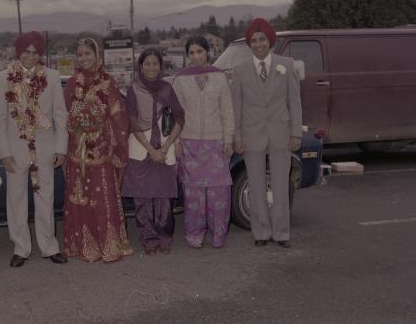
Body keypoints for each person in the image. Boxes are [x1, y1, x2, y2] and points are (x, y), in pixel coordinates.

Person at [0, 31, 69, 267]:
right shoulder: (3, 77)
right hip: (15, 151)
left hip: (45, 149)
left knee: (45, 198)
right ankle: (21, 248)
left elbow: (60, 116)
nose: (30, 56)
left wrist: (61, 148)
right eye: (26, 51)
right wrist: (4, 152)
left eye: (36, 52)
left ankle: (49, 246)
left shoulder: (52, 76)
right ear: (19, 52)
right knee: (16, 199)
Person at [231, 18, 302, 248]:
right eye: (253, 40)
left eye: (262, 39)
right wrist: (237, 137)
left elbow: (295, 102)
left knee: (281, 184)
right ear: (249, 44)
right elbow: (237, 107)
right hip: (252, 135)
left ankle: (281, 233)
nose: (258, 44)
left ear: (270, 40)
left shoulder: (287, 65)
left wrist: (296, 134)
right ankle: (260, 232)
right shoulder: (240, 70)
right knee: (256, 183)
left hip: (281, 133)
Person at [62, 36, 133, 262]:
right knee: (80, 197)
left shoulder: (108, 82)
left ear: (97, 55)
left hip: (102, 151)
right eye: (80, 54)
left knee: (101, 198)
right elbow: (64, 114)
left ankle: (108, 244)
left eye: (88, 53)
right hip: (77, 152)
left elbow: (118, 118)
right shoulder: (72, 84)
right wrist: (76, 129)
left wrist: (107, 139)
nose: (84, 58)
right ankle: (82, 245)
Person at [172, 35, 234, 248]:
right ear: (187, 56)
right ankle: (194, 235)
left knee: (219, 192)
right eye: (191, 52)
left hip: (216, 143)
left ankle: (218, 235)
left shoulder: (219, 78)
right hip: (190, 144)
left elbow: (227, 110)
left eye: (200, 51)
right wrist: (176, 142)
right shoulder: (180, 80)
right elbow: (176, 115)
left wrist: (229, 139)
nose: (196, 56)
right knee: (194, 195)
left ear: (208, 52)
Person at [122, 47, 184, 254]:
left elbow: (179, 118)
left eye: (155, 64)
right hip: (141, 149)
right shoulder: (134, 89)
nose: (151, 67)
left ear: (160, 66)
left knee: (164, 198)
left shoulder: (167, 88)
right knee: (143, 198)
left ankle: (164, 237)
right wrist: (151, 150)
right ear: (140, 66)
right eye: (147, 63)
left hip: (164, 150)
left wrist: (166, 147)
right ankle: (149, 239)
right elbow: (132, 122)